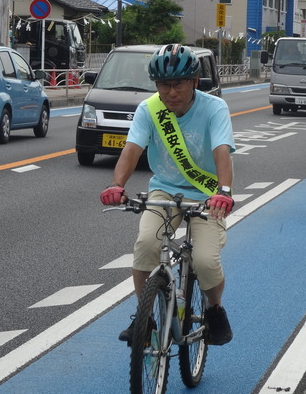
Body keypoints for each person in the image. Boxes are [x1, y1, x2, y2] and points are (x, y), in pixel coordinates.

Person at [100, 43, 235, 346]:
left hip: (208, 194)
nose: (171, 92)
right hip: (164, 190)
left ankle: (215, 310)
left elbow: (222, 152)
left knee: (204, 260)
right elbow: (131, 150)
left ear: (194, 82)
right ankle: (144, 316)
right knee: (146, 244)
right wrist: (117, 185)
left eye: (178, 83)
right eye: (164, 84)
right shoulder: (149, 109)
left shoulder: (214, 108)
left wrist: (223, 191)